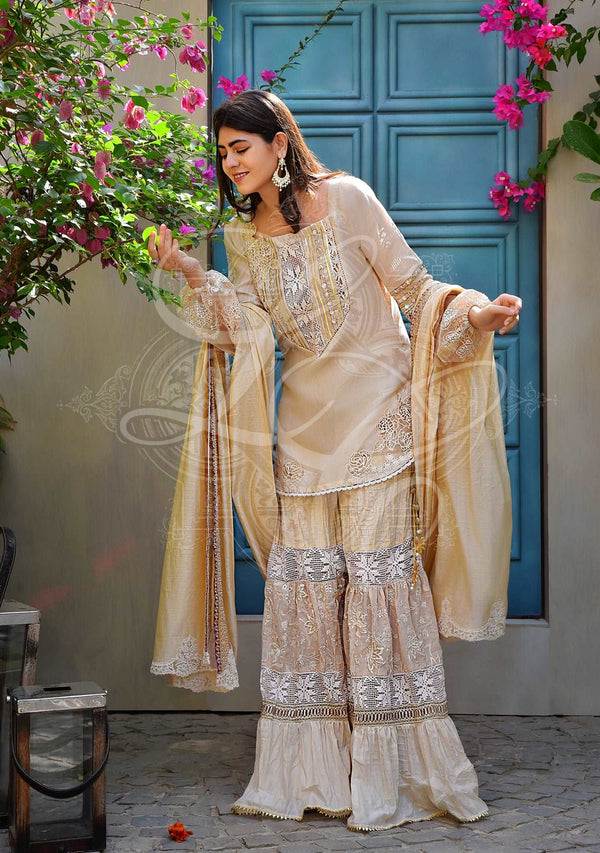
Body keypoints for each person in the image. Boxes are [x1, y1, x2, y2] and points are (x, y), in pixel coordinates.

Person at [149, 89, 520, 832]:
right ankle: (317, 772)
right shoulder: (243, 233)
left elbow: (414, 288)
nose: (229, 161)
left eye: (239, 147)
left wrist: (476, 314)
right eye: (222, 151)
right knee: (310, 598)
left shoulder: (348, 199)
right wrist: (192, 269)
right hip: (303, 436)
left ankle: (398, 773)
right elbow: (245, 328)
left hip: (379, 422)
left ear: (278, 144)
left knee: (379, 583)